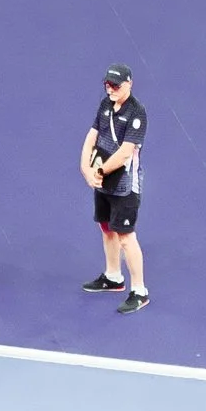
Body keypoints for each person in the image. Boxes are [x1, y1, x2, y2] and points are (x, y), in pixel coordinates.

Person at [80, 61, 149, 308]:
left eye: (116, 85)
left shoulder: (137, 113)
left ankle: (140, 291)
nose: (111, 89)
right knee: (107, 228)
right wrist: (85, 169)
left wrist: (97, 170)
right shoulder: (105, 105)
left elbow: (125, 153)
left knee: (126, 237)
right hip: (104, 180)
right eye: (108, 85)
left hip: (125, 185)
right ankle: (113, 277)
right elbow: (92, 137)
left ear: (129, 84)